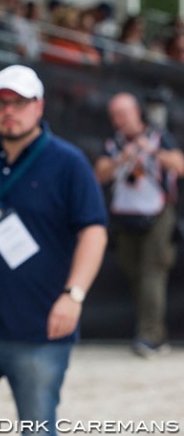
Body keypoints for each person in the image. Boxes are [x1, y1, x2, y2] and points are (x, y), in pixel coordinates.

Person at [0, 65, 108, 436]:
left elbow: (94, 232)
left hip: (40, 327)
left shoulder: (69, 163)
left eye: (18, 102)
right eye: (0, 103)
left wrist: (73, 296)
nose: (8, 111)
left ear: (39, 106)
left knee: (37, 428)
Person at [94, 92, 184, 357]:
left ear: (137, 113)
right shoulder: (113, 144)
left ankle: (150, 336)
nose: (118, 120)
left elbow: (180, 166)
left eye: (122, 114)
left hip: (157, 214)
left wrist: (152, 152)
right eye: (114, 116)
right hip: (125, 217)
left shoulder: (158, 137)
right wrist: (121, 159)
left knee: (152, 273)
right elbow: (98, 174)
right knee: (133, 273)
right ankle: (155, 332)